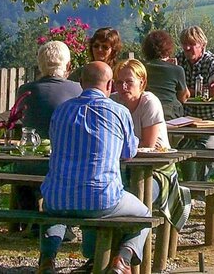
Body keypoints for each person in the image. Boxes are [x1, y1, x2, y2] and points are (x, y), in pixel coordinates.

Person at [38, 61, 146, 274]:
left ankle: (47, 260)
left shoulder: (61, 111)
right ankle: (122, 259)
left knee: (53, 208)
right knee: (144, 215)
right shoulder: (119, 112)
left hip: (57, 197)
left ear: (81, 83)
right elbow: (129, 152)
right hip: (102, 198)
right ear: (109, 86)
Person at [111, 59, 191, 231]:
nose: (123, 86)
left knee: (136, 193)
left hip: (156, 169)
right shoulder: (113, 102)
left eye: (129, 81)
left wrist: (118, 143)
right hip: (123, 167)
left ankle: (129, 245)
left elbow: (148, 144)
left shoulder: (149, 102)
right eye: (119, 82)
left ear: (142, 82)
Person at [12, 41, 82, 232]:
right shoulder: (78, 90)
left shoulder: (25, 90)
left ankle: (28, 220)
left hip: (30, 164)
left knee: (22, 169)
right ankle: (62, 224)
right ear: (68, 66)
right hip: (65, 166)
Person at [175, 26, 214, 181]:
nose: (187, 48)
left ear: (202, 45)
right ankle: (191, 187)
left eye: (192, 44)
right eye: (184, 44)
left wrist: (187, 91)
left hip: (212, 121)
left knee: (206, 151)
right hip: (188, 121)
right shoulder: (179, 60)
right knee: (183, 148)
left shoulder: (211, 61)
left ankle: (199, 186)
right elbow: (172, 88)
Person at [141, 30, 190, 120]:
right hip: (170, 115)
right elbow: (184, 97)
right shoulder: (177, 70)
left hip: (146, 112)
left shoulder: (141, 68)